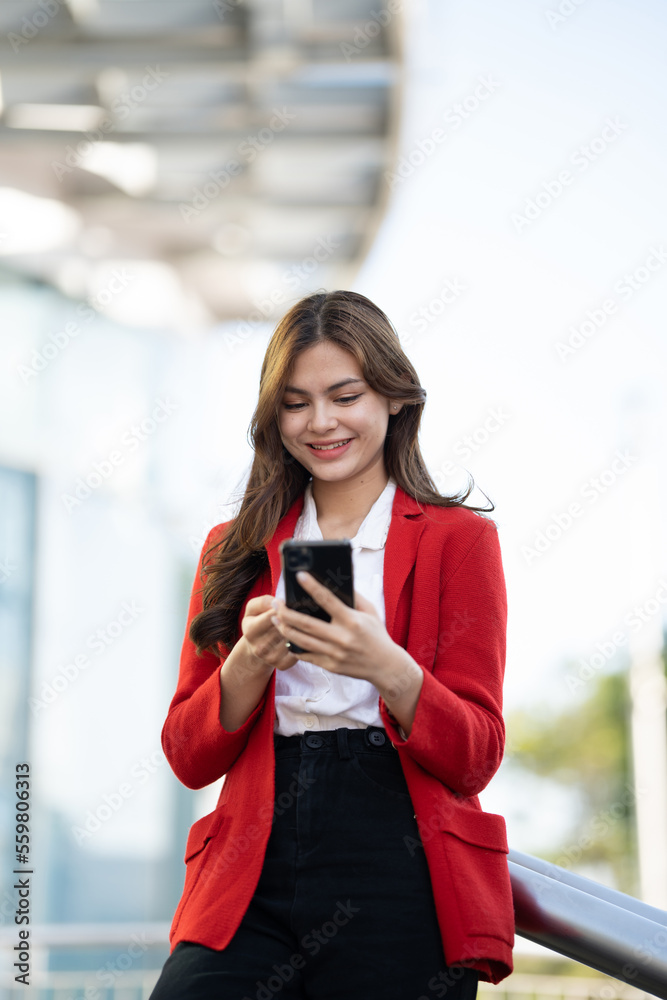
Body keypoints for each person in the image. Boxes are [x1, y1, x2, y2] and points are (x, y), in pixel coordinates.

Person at [149, 290, 515, 1000]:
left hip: (398, 862)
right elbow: (187, 758)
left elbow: (475, 755)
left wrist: (389, 670)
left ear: (393, 398)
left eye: (344, 395)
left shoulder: (460, 541)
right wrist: (248, 667)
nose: (320, 423)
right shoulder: (231, 550)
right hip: (253, 856)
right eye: (294, 402)